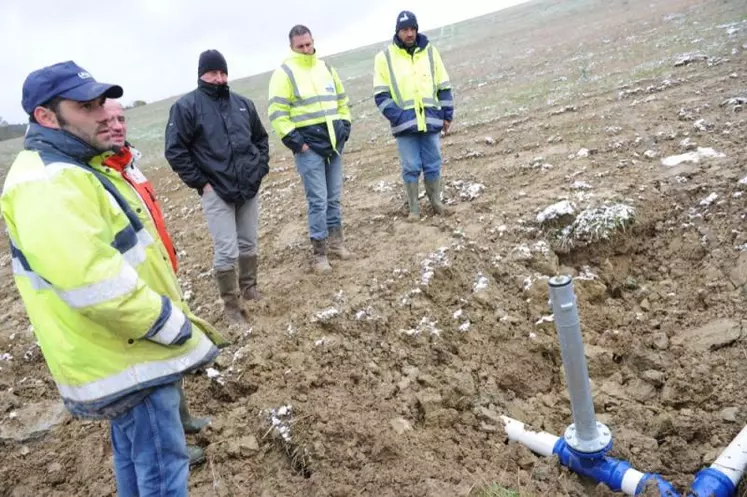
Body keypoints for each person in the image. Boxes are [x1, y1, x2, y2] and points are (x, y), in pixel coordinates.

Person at [1, 60, 227, 496]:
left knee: (134, 457)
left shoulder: (79, 166)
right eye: (87, 106)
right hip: (128, 354)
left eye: (103, 101)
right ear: (47, 117)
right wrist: (172, 326)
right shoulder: (49, 182)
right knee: (163, 469)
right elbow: (95, 285)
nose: (105, 113)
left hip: (122, 351)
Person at [102, 99, 212, 466]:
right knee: (155, 371)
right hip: (136, 286)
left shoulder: (129, 167)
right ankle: (172, 447)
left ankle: (182, 420)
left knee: (172, 357)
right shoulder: (100, 175)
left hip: (160, 273)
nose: (117, 125)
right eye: (108, 119)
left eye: (121, 118)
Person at [165, 49, 270, 324]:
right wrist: (202, 183)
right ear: (202, 74)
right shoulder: (186, 107)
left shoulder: (243, 104)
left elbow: (261, 139)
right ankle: (232, 305)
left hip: (248, 186)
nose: (219, 78)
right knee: (227, 249)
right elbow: (175, 151)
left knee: (249, 241)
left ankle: (249, 289)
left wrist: (259, 170)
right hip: (216, 191)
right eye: (213, 73)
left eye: (223, 72)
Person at [268, 25, 353, 273]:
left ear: (313, 41)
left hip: (334, 144)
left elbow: (341, 101)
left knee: (334, 198)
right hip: (309, 149)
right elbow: (277, 114)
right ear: (292, 47)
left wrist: (344, 127)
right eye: (300, 47)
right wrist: (298, 144)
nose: (306, 50)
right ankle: (320, 254)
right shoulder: (284, 74)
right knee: (318, 201)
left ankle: (338, 244)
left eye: (308, 44)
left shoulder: (325, 68)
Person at [373, 11, 454, 220]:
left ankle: (436, 202)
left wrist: (447, 115)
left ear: (416, 29)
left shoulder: (430, 52)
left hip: (431, 120)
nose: (409, 34)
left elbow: (443, 85)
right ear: (397, 32)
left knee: (433, 162)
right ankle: (413, 209)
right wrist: (398, 117)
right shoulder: (384, 58)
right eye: (404, 30)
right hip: (405, 125)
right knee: (410, 166)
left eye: (412, 29)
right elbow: (381, 95)